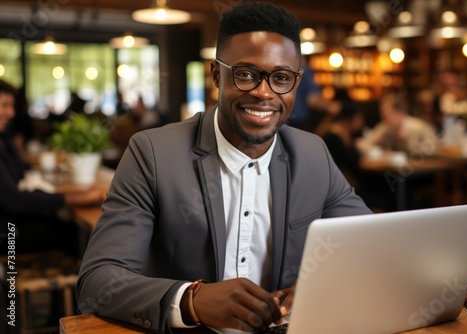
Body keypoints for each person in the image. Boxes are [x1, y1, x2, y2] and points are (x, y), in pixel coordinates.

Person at [76, 3, 371, 333]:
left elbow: (369, 244)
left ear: (295, 84)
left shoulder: (312, 153)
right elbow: (98, 282)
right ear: (217, 74)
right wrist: (191, 300)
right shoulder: (153, 154)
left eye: (281, 78)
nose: (263, 93)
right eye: (245, 74)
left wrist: (320, 283)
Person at [0, 79, 106, 255]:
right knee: (76, 237)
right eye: (4, 105)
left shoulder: (4, 138)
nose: (11, 113)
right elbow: (14, 200)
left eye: (11, 105)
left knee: (70, 228)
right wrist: (72, 198)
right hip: (7, 232)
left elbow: (15, 183)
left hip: (11, 221)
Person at [364, 94, 438, 155]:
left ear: (400, 113)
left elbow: (433, 150)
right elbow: (369, 142)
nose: (383, 117)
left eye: (387, 113)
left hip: (420, 170)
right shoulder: (385, 127)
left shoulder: (419, 127)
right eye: (382, 113)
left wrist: (407, 142)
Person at [287, 57, 339, 132]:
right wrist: (330, 107)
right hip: (297, 122)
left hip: (281, 120)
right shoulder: (303, 69)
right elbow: (312, 100)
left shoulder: (282, 66)